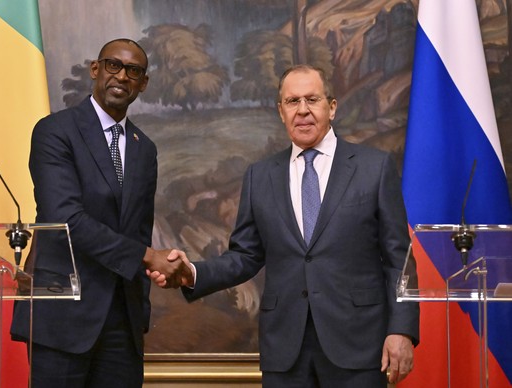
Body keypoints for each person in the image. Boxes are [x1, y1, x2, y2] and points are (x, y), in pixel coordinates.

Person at [150, 64, 420, 387]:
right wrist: (191, 273)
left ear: (331, 107)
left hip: (358, 345)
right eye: (293, 102)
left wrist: (401, 329)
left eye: (312, 100)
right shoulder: (260, 175)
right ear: (281, 111)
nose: (303, 110)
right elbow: (245, 256)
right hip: (285, 350)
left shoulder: (373, 168)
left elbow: (399, 260)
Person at [11, 38, 187, 388]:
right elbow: (65, 219)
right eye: (113, 65)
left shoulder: (144, 149)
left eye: (133, 71)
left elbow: (137, 228)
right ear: (96, 69)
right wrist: (148, 256)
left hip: (122, 322)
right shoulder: (55, 131)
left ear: (143, 83)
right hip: (62, 318)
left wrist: (140, 310)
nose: (121, 76)